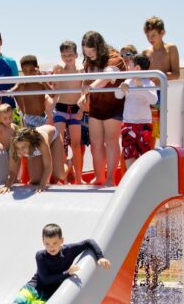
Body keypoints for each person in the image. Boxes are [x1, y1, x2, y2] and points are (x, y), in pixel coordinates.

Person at [78, 31, 126, 187]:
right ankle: (99, 177)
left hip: (114, 106)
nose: (89, 56)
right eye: (86, 53)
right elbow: (85, 82)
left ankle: (110, 179)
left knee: (111, 140)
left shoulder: (115, 59)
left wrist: (90, 87)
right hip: (96, 107)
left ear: (99, 47)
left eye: (92, 52)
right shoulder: (88, 62)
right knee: (95, 142)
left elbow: (105, 78)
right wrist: (83, 95)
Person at [114, 54, 158, 169]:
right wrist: (121, 89)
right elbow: (117, 96)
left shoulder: (149, 83)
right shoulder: (127, 81)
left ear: (137, 68)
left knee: (145, 156)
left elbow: (153, 100)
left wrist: (141, 87)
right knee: (129, 155)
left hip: (144, 125)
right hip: (128, 124)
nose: (128, 68)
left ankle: (145, 181)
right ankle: (131, 177)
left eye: (130, 65)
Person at [142, 17, 180, 144]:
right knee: (149, 130)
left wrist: (158, 76)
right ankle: (150, 157)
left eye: (153, 35)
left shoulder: (171, 49)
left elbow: (176, 74)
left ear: (162, 33)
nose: (150, 38)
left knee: (164, 130)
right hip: (149, 95)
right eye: (148, 35)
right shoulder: (145, 53)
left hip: (165, 95)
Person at [51, 41, 85, 184]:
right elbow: (54, 90)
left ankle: (78, 178)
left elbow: (84, 92)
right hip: (61, 108)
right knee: (59, 144)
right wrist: (54, 74)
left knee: (76, 146)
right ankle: (62, 176)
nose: (67, 57)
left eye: (70, 54)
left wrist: (82, 109)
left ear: (76, 55)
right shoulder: (59, 69)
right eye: (64, 55)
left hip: (75, 109)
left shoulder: (81, 70)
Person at [0, 125, 64, 194]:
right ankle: (50, 170)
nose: (21, 151)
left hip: (54, 138)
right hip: (36, 149)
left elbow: (48, 166)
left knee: (60, 175)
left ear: (30, 144)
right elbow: (12, 172)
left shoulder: (40, 141)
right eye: (18, 148)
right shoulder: (14, 148)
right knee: (35, 181)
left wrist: (42, 185)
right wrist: (7, 186)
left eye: (23, 147)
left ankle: (68, 165)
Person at [11, 55, 53, 129]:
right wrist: (7, 92)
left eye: (31, 70)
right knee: (30, 140)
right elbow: (13, 91)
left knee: (43, 139)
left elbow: (53, 95)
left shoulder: (41, 82)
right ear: (22, 71)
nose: (28, 73)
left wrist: (43, 80)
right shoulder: (23, 83)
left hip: (43, 117)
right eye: (25, 71)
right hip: (29, 118)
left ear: (37, 68)